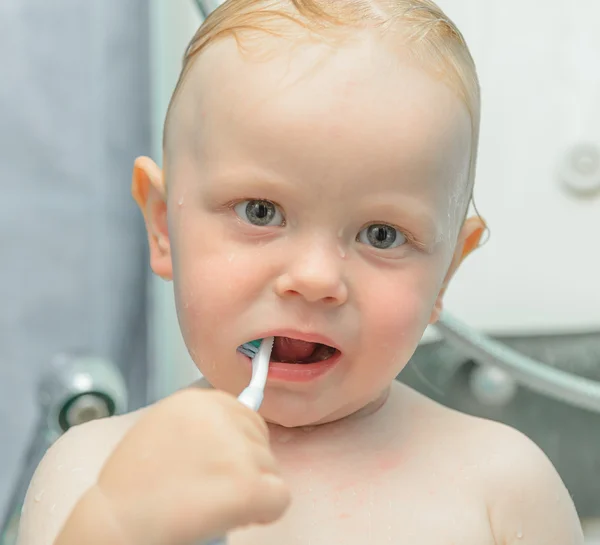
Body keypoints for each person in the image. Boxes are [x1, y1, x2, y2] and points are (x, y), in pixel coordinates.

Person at [18, 1, 584, 544]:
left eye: (381, 235)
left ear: (445, 274)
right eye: (260, 212)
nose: (314, 278)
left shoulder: (504, 487)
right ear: (165, 226)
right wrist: (118, 527)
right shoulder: (91, 469)